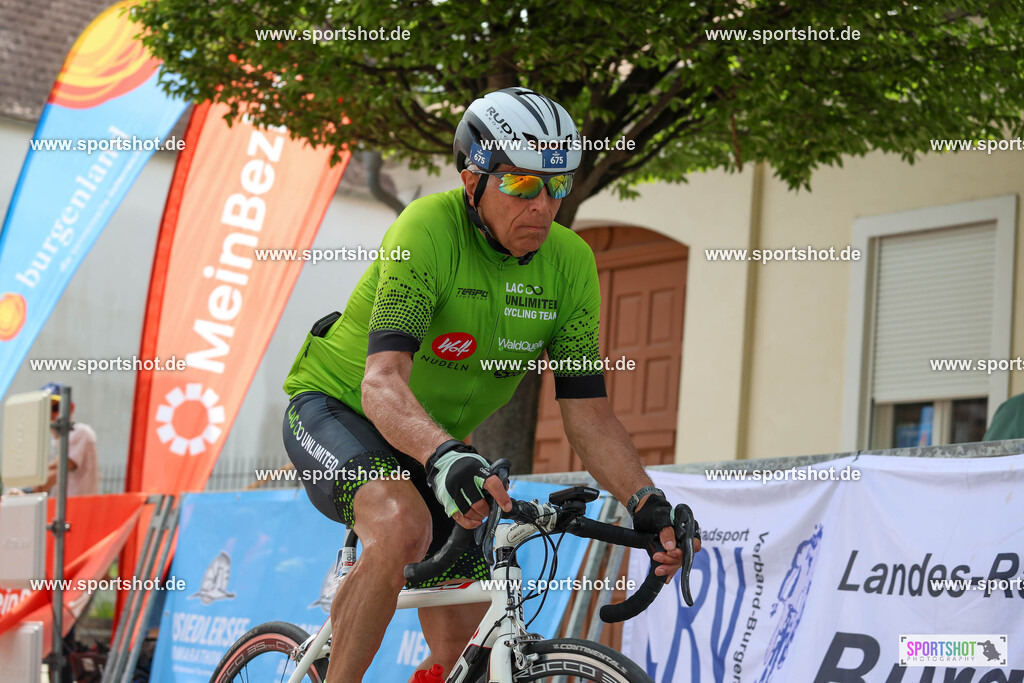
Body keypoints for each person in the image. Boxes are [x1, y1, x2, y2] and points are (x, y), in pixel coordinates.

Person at [282, 87, 700, 683]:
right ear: (471, 178)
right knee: (402, 522)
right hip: (342, 407)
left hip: (434, 440)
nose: (544, 204)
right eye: (523, 184)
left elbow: (588, 414)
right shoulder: (426, 228)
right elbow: (381, 383)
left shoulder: (571, 263)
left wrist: (644, 500)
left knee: (463, 653)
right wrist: (444, 452)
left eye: (558, 185)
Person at [31, 382, 98, 497]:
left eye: (55, 407)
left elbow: (57, 470)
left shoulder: (79, 432)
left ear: (70, 408)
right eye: (45, 408)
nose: (50, 413)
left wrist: (25, 490)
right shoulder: (56, 442)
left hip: (76, 510)